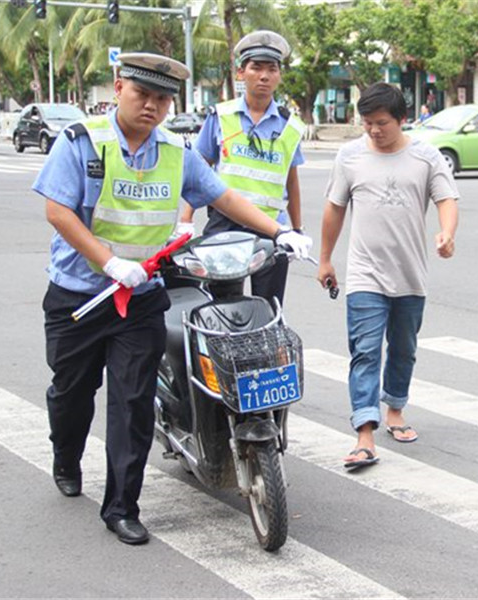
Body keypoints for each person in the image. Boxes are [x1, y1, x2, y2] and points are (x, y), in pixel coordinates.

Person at [32, 52, 312, 546]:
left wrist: (280, 231)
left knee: (133, 403)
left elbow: (223, 196)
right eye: (143, 95)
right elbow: (59, 212)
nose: (153, 106)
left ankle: (121, 506)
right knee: (72, 394)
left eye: (163, 99)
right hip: (81, 297)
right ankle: (66, 454)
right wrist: (109, 261)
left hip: (141, 299)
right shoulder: (82, 142)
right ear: (118, 88)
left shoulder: (176, 153)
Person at [317, 82, 459, 471]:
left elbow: (447, 198)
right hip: (365, 274)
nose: (374, 131)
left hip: (410, 274)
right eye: (367, 124)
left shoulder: (426, 156)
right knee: (364, 350)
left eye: (382, 123)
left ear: (402, 119)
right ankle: (364, 433)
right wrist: (325, 259)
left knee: (402, 347)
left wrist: (447, 233)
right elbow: (334, 209)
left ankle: (395, 408)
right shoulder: (349, 157)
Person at [181, 30, 305, 306]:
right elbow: (199, 168)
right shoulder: (221, 117)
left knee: (270, 309)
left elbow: (291, 180)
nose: (263, 76)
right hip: (225, 223)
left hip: (271, 227)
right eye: (256, 68)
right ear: (241, 73)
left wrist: (296, 229)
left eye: (271, 69)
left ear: (279, 76)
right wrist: (186, 219)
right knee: (223, 307)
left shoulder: (291, 126)